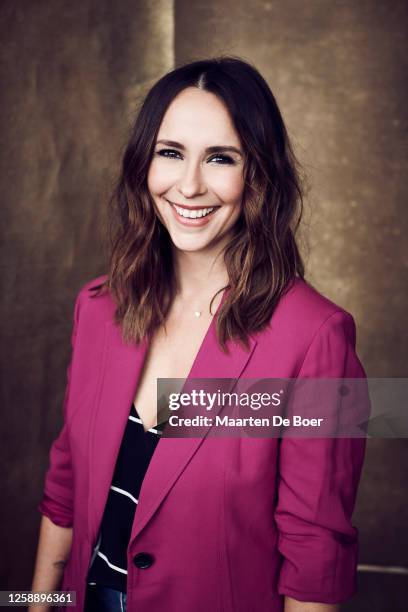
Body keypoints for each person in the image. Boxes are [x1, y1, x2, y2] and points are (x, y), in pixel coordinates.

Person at [31, 56, 367, 612]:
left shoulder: (320, 337)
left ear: (258, 173)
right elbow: (64, 488)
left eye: (220, 158)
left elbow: (316, 554)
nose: (189, 185)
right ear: (145, 163)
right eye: (171, 153)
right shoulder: (97, 306)